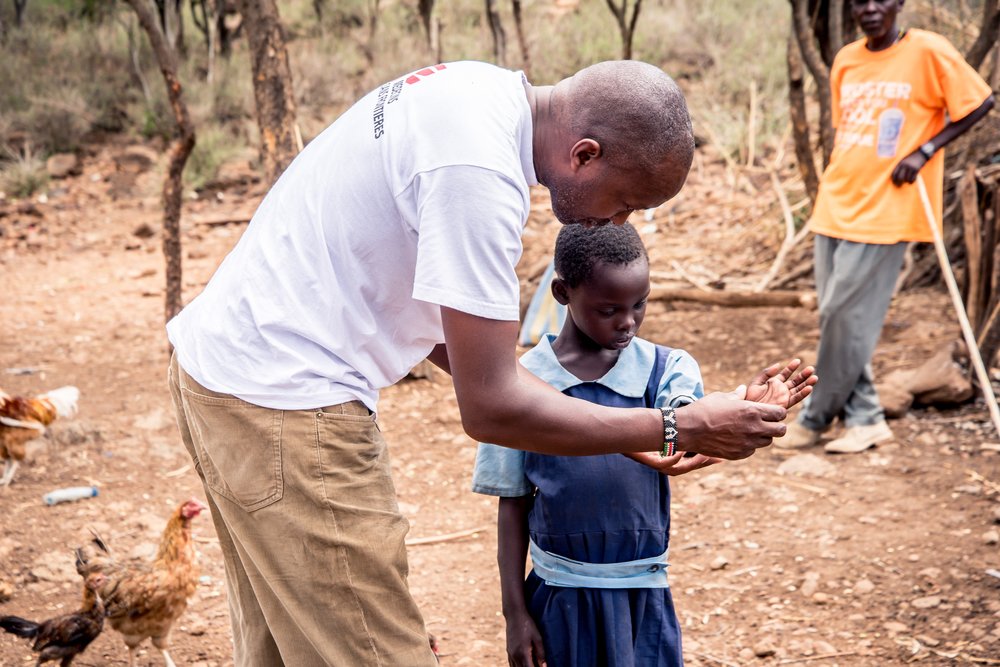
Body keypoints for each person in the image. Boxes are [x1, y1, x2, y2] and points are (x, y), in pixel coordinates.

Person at [166, 59, 801, 666]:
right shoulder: (478, 176)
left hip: (228, 380)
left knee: (289, 646)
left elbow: (463, 343)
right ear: (584, 154)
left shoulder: (477, 94)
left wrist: (634, 435)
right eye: (625, 201)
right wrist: (675, 427)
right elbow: (491, 405)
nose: (619, 220)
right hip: (286, 408)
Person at [472, 223, 815, 667]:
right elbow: (512, 506)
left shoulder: (665, 370)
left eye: (640, 304)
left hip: (644, 597)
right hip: (559, 599)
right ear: (562, 293)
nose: (628, 321)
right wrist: (514, 613)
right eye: (609, 309)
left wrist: (738, 407)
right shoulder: (521, 388)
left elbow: (685, 435)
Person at [777, 0, 994, 454]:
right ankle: (866, 417)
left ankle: (815, 418)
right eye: (860, 0)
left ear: (898, 4)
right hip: (836, 203)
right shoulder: (847, 59)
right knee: (839, 319)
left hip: (888, 208)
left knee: (841, 314)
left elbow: (980, 101)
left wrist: (925, 150)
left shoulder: (927, 50)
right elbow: (849, 130)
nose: (870, 8)